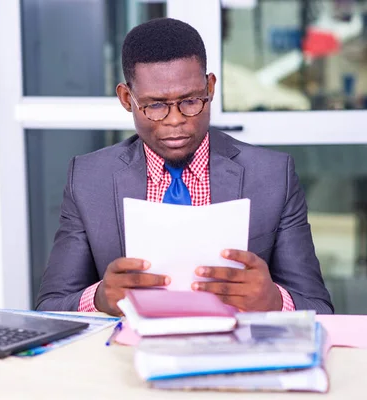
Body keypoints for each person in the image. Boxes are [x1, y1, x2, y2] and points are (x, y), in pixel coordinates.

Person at [36, 18, 333, 316]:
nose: (175, 120)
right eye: (155, 105)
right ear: (127, 99)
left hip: (232, 353)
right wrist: (99, 298)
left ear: (210, 87)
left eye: (190, 101)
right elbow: (50, 307)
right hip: (131, 354)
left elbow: (320, 309)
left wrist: (275, 301)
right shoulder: (88, 179)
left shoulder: (272, 176)